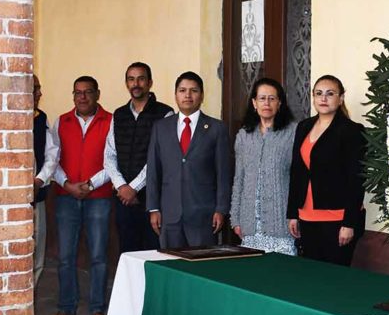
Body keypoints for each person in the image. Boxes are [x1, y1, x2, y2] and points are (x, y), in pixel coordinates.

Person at [47, 76, 113, 315]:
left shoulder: (110, 121)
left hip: (99, 197)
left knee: (98, 255)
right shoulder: (61, 121)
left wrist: (90, 185)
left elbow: (112, 159)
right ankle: (66, 307)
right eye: (77, 92)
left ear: (97, 94)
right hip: (66, 196)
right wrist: (67, 185)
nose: (82, 97)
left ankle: (97, 308)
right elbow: (52, 159)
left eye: (87, 92)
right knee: (65, 255)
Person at [287, 75, 366, 266]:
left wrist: (349, 223)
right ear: (313, 97)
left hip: (337, 219)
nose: (323, 98)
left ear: (341, 98)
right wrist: (293, 213)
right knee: (311, 273)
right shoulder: (303, 127)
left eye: (330, 94)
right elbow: (297, 172)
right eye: (318, 93)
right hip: (306, 215)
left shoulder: (352, 130)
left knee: (335, 276)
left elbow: (356, 179)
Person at [147, 71, 232, 248]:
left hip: (204, 215)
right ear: (175, 95)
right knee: (171, 262)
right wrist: (153, 208)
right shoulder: (161, 128)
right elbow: (153, 171)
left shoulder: (216, 128)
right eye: (182, 90)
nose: (187, 95)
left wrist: (221, 209)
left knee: (201, 262)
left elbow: (223, 173)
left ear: (201, 95)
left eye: (193, 90)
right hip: (169, 215)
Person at [104, 62, 174, 255]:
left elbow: (161, 158)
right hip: (123, 200)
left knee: (153, 253)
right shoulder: (119, 114)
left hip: (153, 201)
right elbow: (109, 154)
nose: (136, 84)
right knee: (128, 253)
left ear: (150, 82)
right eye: (131, 79)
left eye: (141, 79)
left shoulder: (165, 114)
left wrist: (133, 188)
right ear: (126, 83)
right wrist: (122, 186)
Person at [231, 78, 297, 255]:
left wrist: (295, 215)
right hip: (250, 225)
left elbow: (299, 179)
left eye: (272, 98)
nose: (266, 103)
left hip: (282, 222)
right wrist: (235, 218)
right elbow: (239, 179)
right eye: (262, 98)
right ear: (254, 103)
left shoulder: (293, 133)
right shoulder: (243, 135)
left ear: (280, 103)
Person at [31, 76, 59, 315]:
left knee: (37, 258)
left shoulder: (40, 119)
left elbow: (51, 155)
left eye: (38, 88)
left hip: (36, 198)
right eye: (33, 89)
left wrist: (39, 180)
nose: (38, 93)